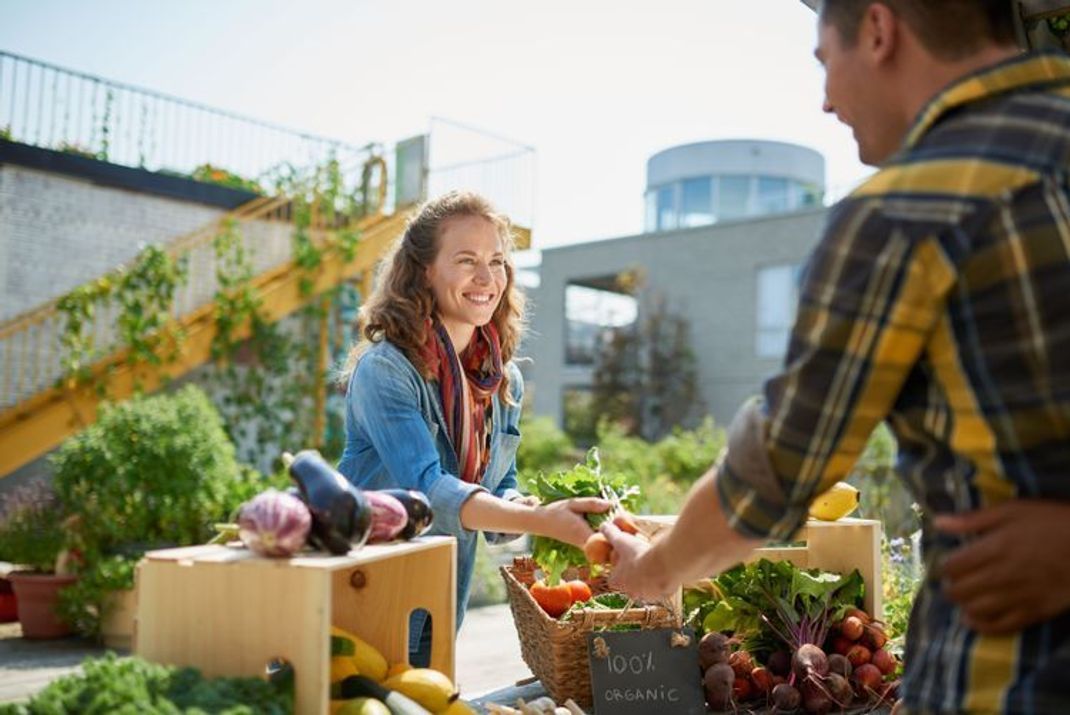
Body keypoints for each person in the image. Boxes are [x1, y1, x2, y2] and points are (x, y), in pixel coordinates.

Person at [601, 1, 1070, 712]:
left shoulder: (908, 208)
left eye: (825, 62)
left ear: (879, 30)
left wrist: (652, 569)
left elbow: (777, 471)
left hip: (1013, 678)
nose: (825, 100)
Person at [338, 190, 607, 666]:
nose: (487, 278)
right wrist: (538, 520)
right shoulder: (387, 370)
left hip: (440, 601)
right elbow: (427, 495)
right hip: (364, 596)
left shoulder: (503, 380)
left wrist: (521, 505)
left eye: (498, 261)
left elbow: (497, 484)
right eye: (467, 260)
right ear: (424, 270)